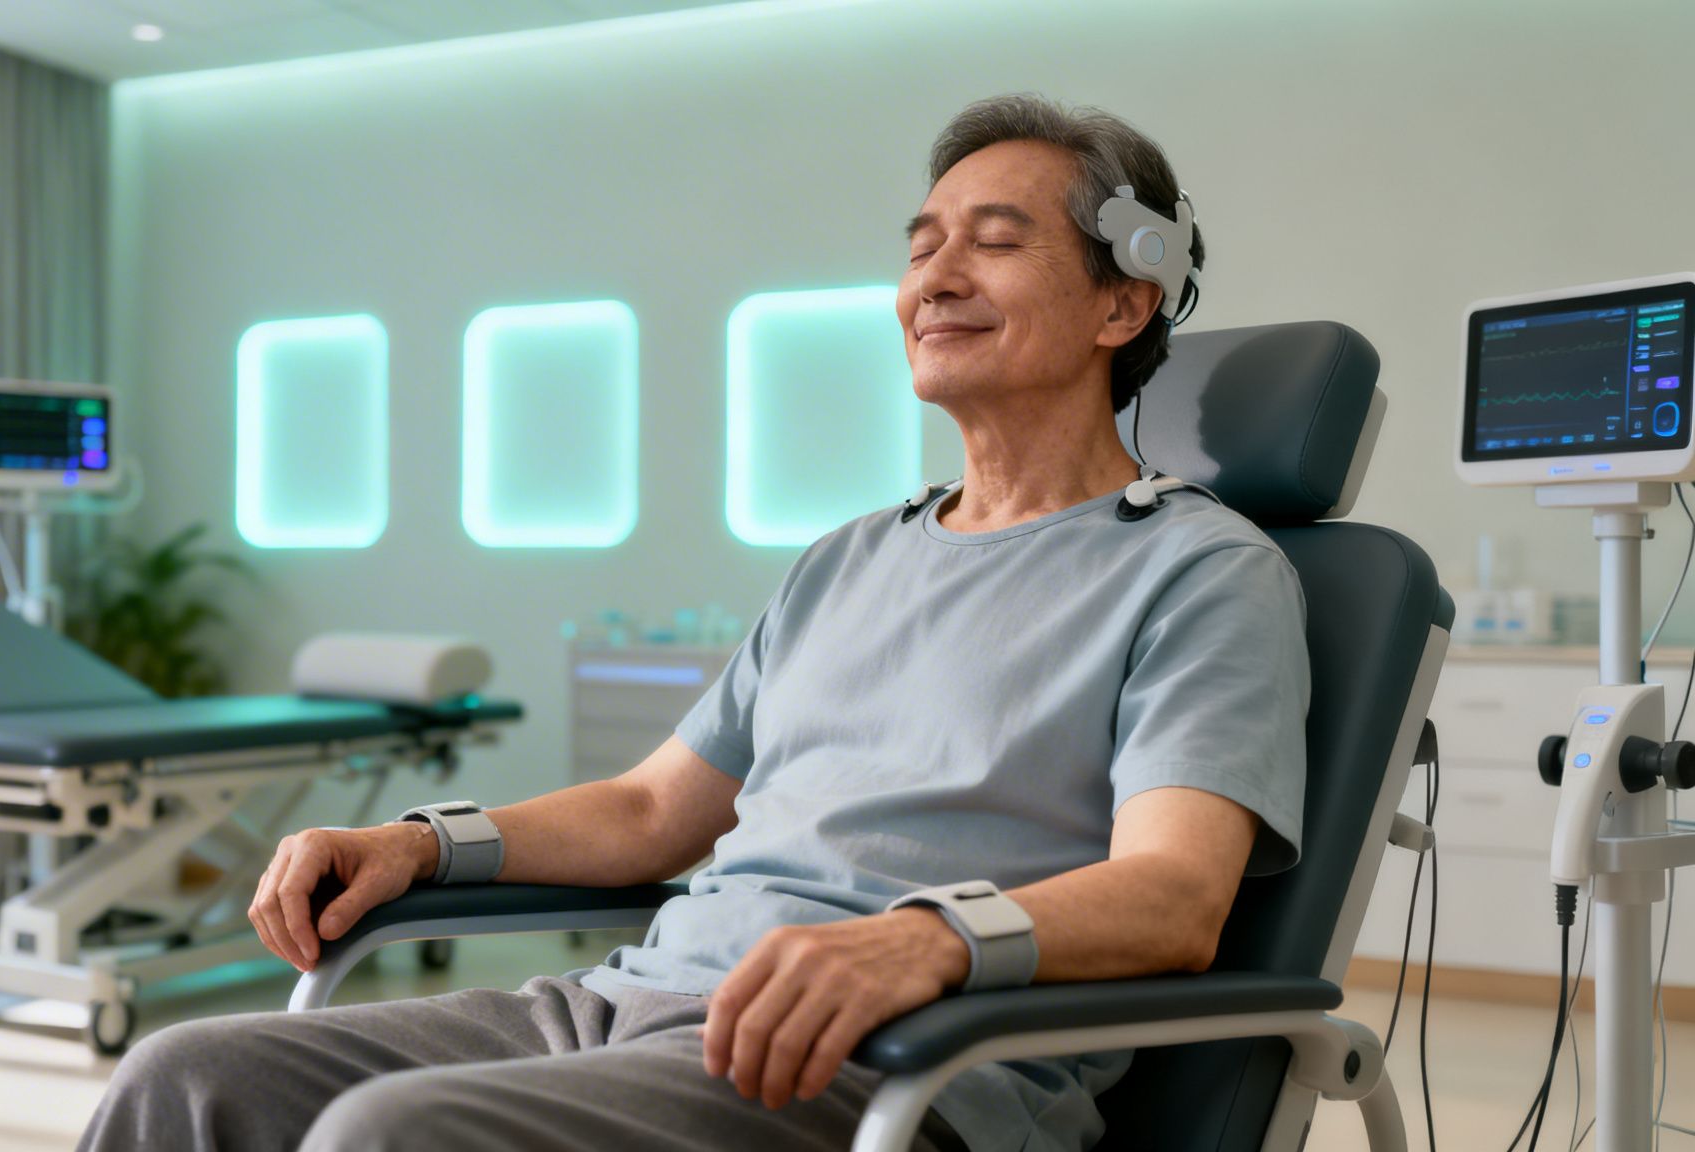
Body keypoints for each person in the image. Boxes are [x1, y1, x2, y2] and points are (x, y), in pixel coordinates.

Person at [78, 92, 1307, 1152]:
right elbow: (649, 812)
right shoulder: (846, 558)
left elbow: (1172, 896)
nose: (931, 279)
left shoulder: (1200, 571)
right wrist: (421, 843)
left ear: (1120, 306)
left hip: (887, 1062)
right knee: (180, 1079)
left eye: (992, 244)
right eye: (920, 245)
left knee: (390, 1137)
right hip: (633, 1002)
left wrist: (926, 941)